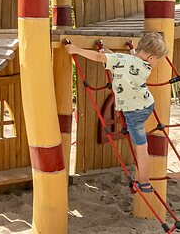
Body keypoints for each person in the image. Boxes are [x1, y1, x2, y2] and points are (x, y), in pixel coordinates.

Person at [64, 31, 169, 192]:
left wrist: (77, 50)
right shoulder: (145, 66)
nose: (156, 64)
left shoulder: (124, 60)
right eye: (157, 61)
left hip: (134, 112)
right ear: (152, 59)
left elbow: (102, 58)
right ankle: (145, 180)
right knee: (141, 144)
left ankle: (144, 181)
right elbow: (127, 62)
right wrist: (112, 54)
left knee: (140, 147)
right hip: (147, 105)